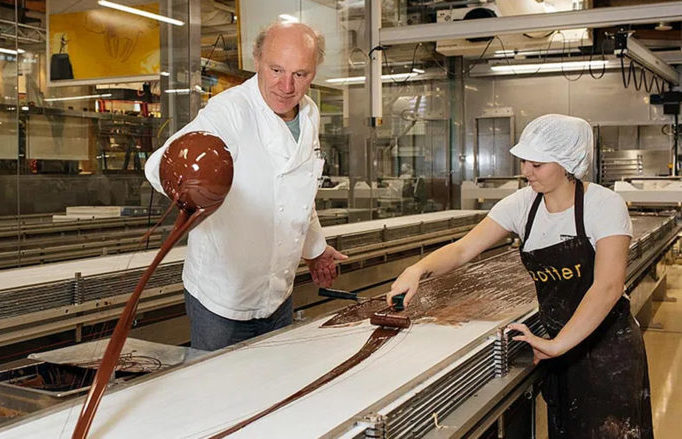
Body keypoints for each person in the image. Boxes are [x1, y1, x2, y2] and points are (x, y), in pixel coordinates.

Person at [388, 114, 652, 438]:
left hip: (607, 347)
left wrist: (557, 345)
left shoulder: (603, 205)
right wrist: (417, 269)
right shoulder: (523, 205)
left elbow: (607, 286)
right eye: (525, 161)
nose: (526, 170)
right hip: (557, 346)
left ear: (566, 162)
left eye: (537, 164)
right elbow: (462, 250)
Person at [145, 21, 347, 351]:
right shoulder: (230, 111)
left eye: (301, 74)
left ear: (314, 71)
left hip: (278, 293)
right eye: (276, 69)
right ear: (256, 59)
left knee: (271, 390)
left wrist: (316, 250)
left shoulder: (309, 113)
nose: (286, 85)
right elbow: (158, 165)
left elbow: (297, 195)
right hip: (222, 300)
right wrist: (189, 178)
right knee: (219, 395)